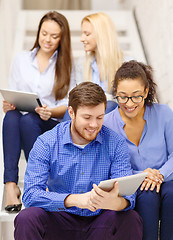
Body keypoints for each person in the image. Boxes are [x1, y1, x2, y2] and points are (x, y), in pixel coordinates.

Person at [14, 82, 143, 240]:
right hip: (59, 219)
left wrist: (112, 202)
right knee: (27, 218)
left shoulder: (115, 143)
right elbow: (30, 195)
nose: (94, 125)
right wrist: (75, 200)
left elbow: (128, 199)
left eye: (99, 117)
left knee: (131, 219)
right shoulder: (46, 143)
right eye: (87, 117)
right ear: (72, 113)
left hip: (100, 221)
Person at [2, 11, 75, 213]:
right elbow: (13, 92)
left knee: (28, 121)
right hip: (24, 121)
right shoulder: (21, 59)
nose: (48, 40)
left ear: (62, 39)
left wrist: (50, 111)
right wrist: (8, 104)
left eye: (54, 36)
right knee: (11, 116)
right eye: (44, 34)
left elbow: (69, 103)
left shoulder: (68, 64)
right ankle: (10, 185)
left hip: (49, 122)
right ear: (38, 33)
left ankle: (38, 182)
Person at [104, 60, 173, 240]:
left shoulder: (164, 113)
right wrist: (142, 175)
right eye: (123, 96)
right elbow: (109, 166)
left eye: (136, 96)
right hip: (133, 184)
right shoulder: (106, 124)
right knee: (147, 197)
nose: (129, 103)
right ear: (115, 95)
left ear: (146, 92)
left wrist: (159, 174)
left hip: (166, 179)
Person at [77, 12, 123, 113]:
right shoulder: (81, 64)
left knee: (110, 105)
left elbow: (127, 100)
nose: (82, 39)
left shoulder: (125, 63)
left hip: (113, 116)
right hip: (88, 114)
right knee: (72, 109)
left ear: (102, 35)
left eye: (87, 34)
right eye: (82, 34)